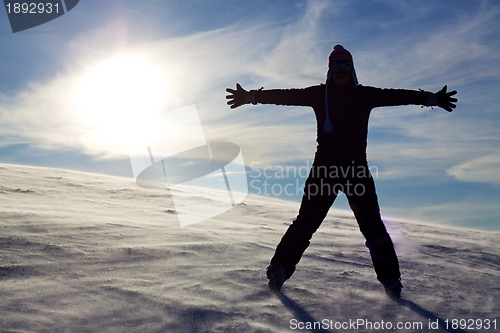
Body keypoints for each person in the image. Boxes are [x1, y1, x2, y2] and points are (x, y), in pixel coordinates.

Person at [226, 45, 457, 298]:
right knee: (307, 221)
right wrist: (250, 96)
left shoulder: (365, 95)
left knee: (372, 225)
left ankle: (391, 279)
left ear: (352, 69)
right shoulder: (318, 95)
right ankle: (278, 269)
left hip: (356, 170)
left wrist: (432, 99)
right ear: (329, 69)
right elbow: (286, 96)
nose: (340, 71)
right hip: (324, 169)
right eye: (335, 66)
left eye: (344, 65)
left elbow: (398, 96)